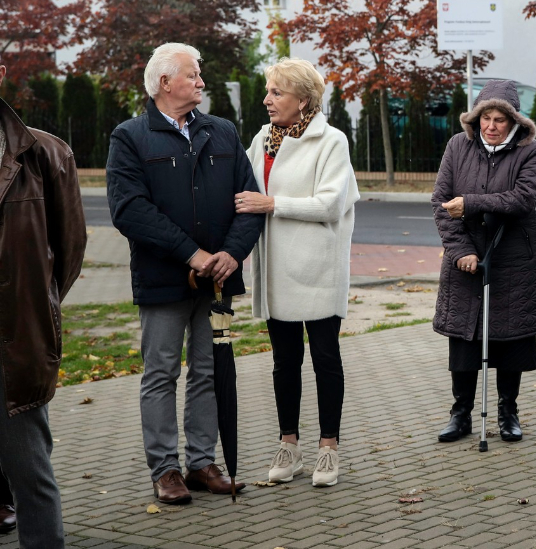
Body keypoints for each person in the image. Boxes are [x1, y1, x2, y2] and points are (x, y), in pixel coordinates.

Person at [106, 43, 263, 504]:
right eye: (193, 75)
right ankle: (165, 470)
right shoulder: (130, 136)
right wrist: (192, 254)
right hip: (162, 280)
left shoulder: (222, 132)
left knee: (210, 371)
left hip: (219, 281)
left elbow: (249, 201)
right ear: (164, 83)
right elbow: (129, 210)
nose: (201, 82)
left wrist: (232, 254)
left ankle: (201, 463)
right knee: (160, 373)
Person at [236, 59, 359, 487]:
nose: (266, 100)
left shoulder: (332, 141)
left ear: (302, 99)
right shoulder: (262, 140)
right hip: (274, 270)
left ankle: (329, 448)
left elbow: (329, 203)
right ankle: (289, 445)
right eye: (268, 91)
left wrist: (273, 204)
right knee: (284, 361)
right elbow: (243, 193)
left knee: (325, 357)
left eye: (276, 93)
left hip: (318, 267)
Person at [0, 57, 86, 547]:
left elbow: (68, 254)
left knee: (30, 474)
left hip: (12, 341)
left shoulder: (46, 154)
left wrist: (34, 306)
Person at [433, 80, 536, 444]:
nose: (492, 126)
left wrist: (473, 203)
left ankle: (508, 410)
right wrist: (460, 251)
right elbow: (441, 203)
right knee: (465, 338)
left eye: (500, 119)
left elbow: (523, 199)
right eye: (486, 118)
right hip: (465, 259)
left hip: (513, 260)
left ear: (514, 122)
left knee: (510, 337)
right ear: (476, 119)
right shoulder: (457, 146)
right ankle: (460, 412)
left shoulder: (530, 152)